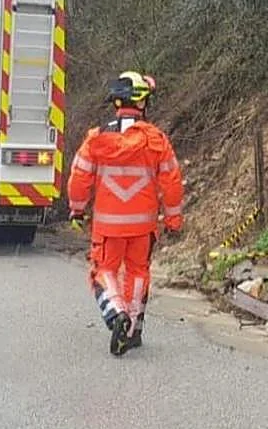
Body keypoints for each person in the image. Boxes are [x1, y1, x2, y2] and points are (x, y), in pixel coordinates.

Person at [67, 71, 185, 356]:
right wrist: (173, 220)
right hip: (143, 226)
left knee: (102, 271)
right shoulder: (156, 140)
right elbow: (172, 183)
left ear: (116, 102)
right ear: (142, 103)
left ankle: (116, 313)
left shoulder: (96, 139)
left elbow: (79, 178)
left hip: (108, 227)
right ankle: (131, 330)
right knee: (138, 271)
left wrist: (77, 210)